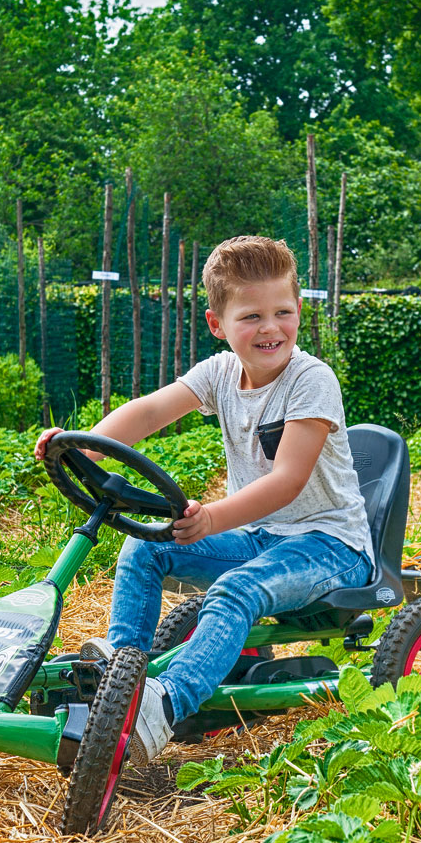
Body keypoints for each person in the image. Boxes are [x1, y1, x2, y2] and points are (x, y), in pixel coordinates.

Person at [34, 235, 372, 764]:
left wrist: (212, 518)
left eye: (283, 311)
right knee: (144, 551)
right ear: (218, 324)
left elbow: (287, 479)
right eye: (250, 316)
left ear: (299, 311)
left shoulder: (312, 380)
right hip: (263, 539)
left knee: (237, 590)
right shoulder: (218, 373)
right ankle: (124, 671)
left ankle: (165, 705)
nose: (269, 328)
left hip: (329, 545)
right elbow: (147, 413)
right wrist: (83, 448)